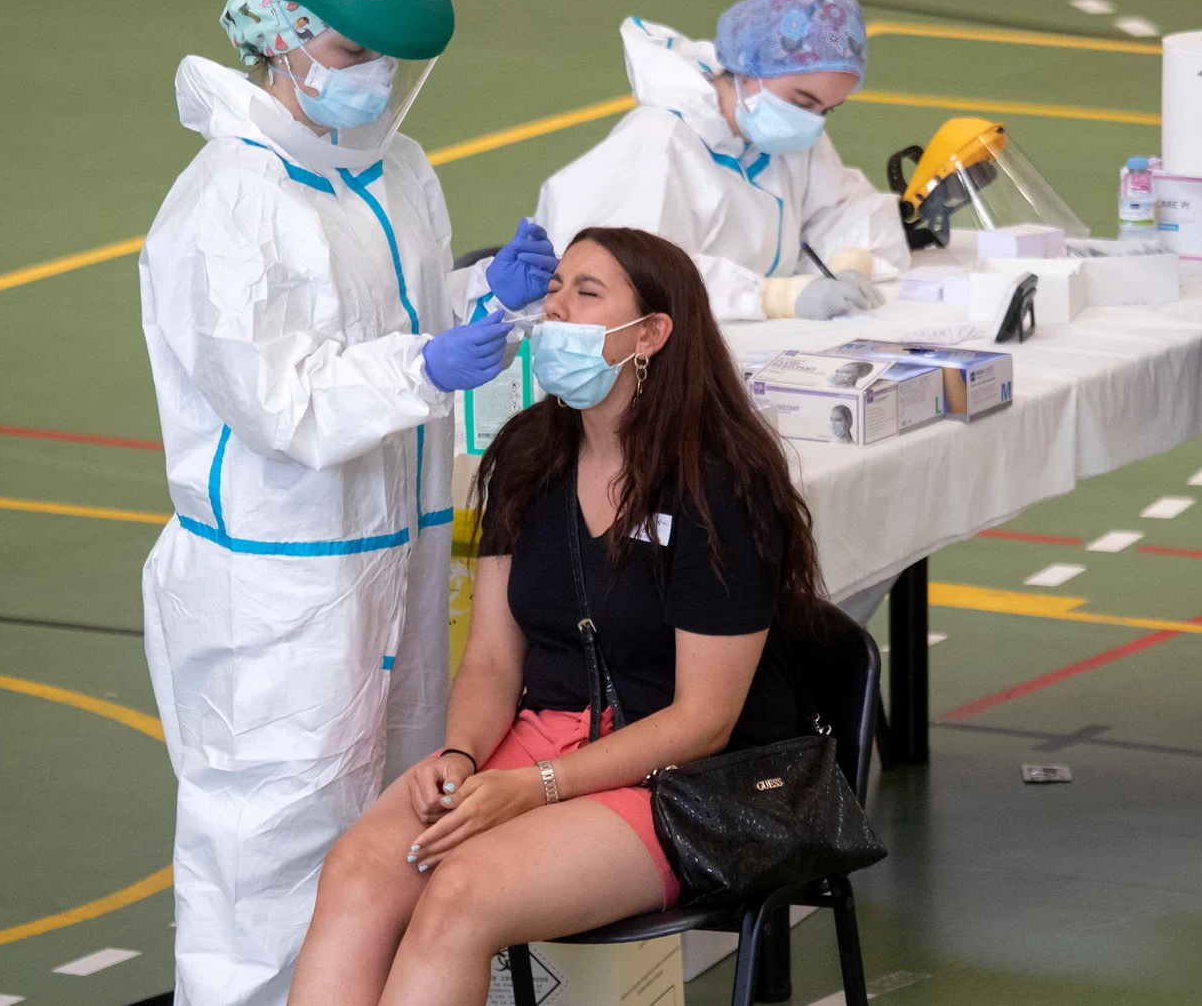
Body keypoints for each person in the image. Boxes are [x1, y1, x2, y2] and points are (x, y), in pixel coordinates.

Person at [138, 0, 559, 1003]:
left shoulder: (392, 165)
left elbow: (394, 325)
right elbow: (284, 400)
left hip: (400, 557)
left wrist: (480, 299)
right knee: (273, 850)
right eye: (349, 49)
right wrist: (424, 363)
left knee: (398, 824)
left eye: (385, 57)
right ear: (279, 38)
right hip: (282, 584)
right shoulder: (228, 203)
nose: (372, 76)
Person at [286, 228, 824, 1006]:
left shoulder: (719, 488)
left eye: (587, 292)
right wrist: (464, 755)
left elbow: (703, 720)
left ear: (651, 334)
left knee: (461, 891)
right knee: (361, 866)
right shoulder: (526, 456)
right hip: (546, 743)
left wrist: (538, 786)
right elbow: (493, 663)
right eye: (557, 286)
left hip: (688, 781)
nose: (554, 307)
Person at [496, 0, 909, 322]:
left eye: (827, 110)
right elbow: (631, 282)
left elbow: (844, 209)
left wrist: (851, 262)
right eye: (802, 103)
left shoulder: (787, 136)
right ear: (749, 71)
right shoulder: (660, 144)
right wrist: (772, 298)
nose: (813, 123)